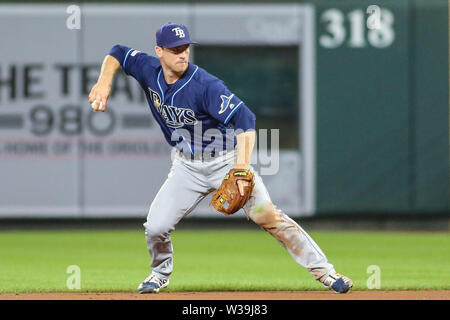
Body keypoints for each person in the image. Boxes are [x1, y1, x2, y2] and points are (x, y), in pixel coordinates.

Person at [88, 23, 353, 294]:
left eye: (186, 48)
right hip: (186, 167)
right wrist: (103, 82)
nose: (182, 54)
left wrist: (240, 170)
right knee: (156, 227)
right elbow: (118, 52)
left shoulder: (206, 85)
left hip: (225, 162)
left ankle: (327, 273)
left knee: (268, 217)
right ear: (160, 51)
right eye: (175, 49)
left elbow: (246, 119)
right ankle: (159, 274)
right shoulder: (147, 68)